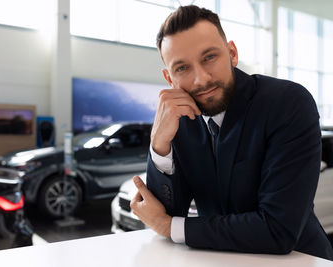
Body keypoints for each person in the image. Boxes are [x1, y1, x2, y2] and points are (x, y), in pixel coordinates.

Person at [129, 5, 333, 261]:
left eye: (209, 57)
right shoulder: (179, 118)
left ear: (232, 53)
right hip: (218, 259)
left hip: (296, 260)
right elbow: (165, 211)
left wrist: (171, 227)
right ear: (169, 78)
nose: (200, 80)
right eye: (182, 68)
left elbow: (277, 230)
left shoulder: (287, 103)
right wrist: (159, 144)